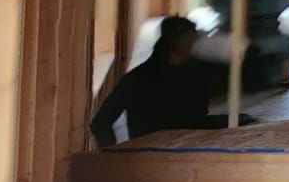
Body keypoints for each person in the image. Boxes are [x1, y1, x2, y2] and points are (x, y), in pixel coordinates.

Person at [89, 16, 227, 147]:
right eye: (188, 38)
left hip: (187, 157)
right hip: (151, 160)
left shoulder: (199, 75)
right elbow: (101, 123)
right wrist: (114, 157)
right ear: (173, 41)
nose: (193, 42)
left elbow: (195, 122)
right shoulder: (139, 78)